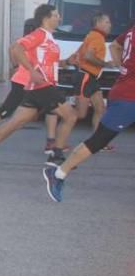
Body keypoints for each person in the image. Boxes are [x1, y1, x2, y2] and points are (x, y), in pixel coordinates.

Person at [0, 4, 78, 171]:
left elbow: (48, 62)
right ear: (46, 18)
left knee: (17, 121)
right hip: (43, 85)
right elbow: (17, 48)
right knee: (71, 116)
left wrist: (67, 62)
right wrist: (30, 70)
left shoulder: (49, 37)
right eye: (56, 15)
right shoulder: (39, 34)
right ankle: (56, 155)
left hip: (35, 87)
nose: (60, 18)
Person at [44, 21, 135, 201]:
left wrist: (122, 67)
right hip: (128, 97)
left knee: (97, 120)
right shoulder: (97, 36)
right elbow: (112, 47)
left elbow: (116, 45)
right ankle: (58, 173)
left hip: (124, 90)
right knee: (98, 140)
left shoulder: (131, 30)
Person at [0, 19, 59, 154]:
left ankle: (51, 142)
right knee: (6, 111)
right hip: (22, 82)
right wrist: (16, 66)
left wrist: (16, 65)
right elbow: (12, 49)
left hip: (33, 84)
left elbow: (13, 49)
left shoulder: (34, 40)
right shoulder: (30, 41)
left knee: (52, 108)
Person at [68, 11, 112, 133]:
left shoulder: (92, 36)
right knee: (80, 114)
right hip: (85, 77)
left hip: (91, 78)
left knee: (101, 109)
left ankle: (97, 142)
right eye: (107, 22)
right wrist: (106, 64)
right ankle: (55, 120)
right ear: (98, 23)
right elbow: (88, 56)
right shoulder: (97, 37)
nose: (110, 25)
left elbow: (77, 56)